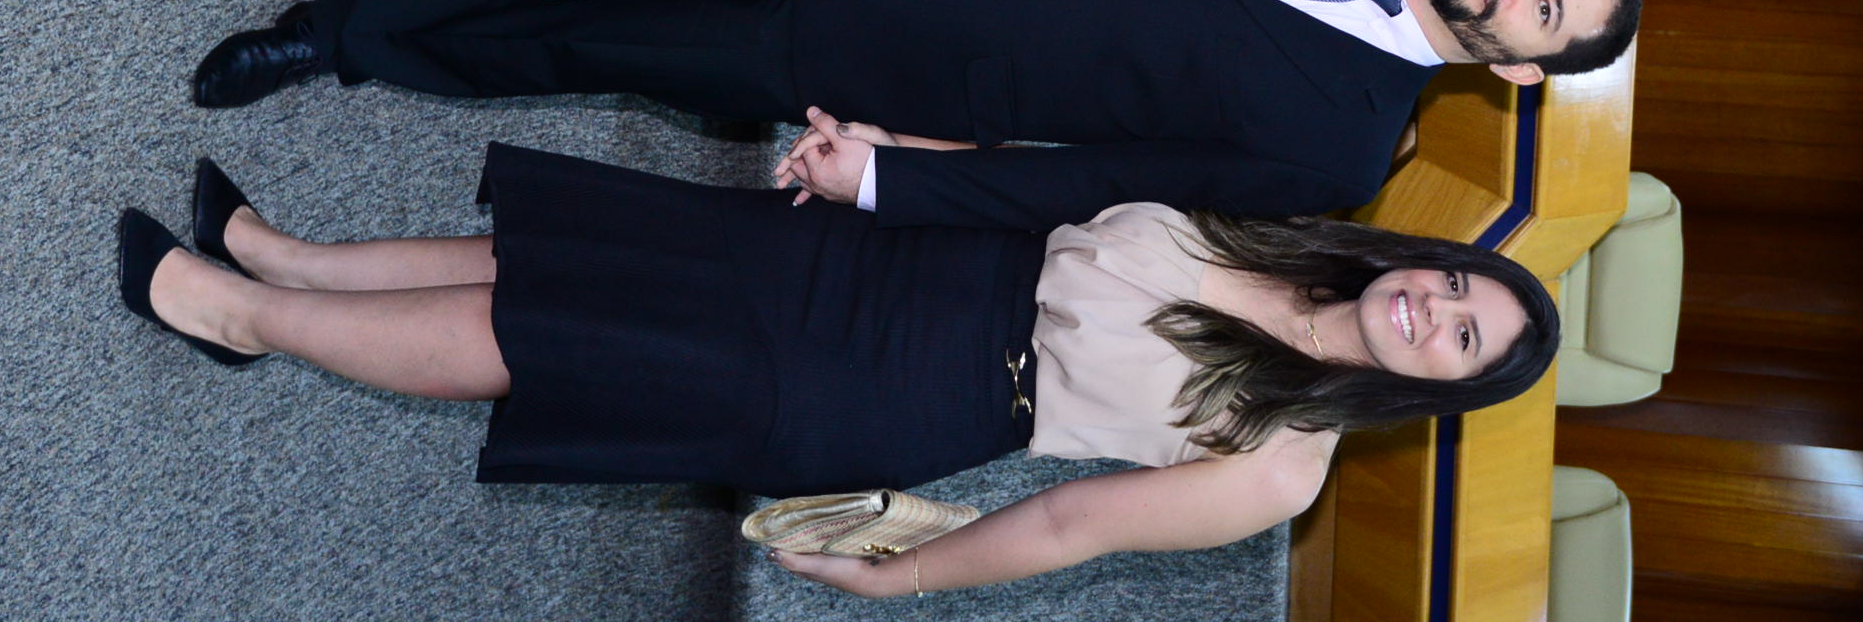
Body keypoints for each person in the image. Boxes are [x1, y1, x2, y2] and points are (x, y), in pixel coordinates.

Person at [117, 150, 1558, 591]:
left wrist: (906, 576)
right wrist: (893, 165)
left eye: (1462, 339)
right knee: (570, 256)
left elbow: (1073, 522)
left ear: (1443, 388)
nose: (1433, 311)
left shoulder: (1283, 465)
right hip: (915, 258)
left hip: (903, 383)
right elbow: (1057, 188)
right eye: (1455, 286)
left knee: (549, 342)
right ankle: (292, 262)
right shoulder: (1292, 232)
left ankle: (244, 318)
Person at [183, 0, 1641, 229]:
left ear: (1521, 71)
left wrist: (898, 175)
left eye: (1541, 9)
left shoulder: (1339, 155)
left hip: (908, 64)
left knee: (602, 43)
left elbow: (1099, 186)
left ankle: (343, 38)